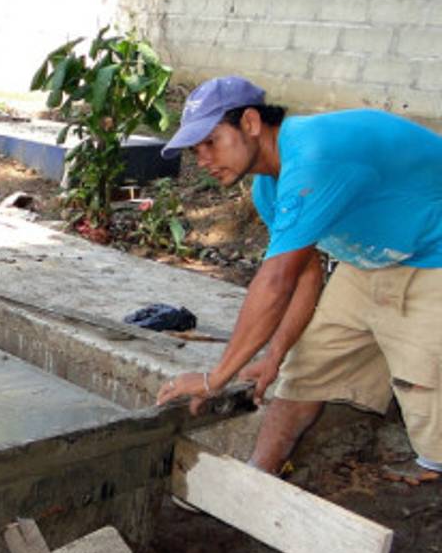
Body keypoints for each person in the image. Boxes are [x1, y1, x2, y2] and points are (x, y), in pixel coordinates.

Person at [155, 76, 442, 481]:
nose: (202, 159)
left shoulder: (314, 158)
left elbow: (275, 282)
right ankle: (258, 477)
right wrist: (274, 356)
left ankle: (430, 487)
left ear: (251, 123)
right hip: (372, 257)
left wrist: (213, 378)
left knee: (426, 391)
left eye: (211, 141)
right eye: (195, 149)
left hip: (433, 254)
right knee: (303, 370)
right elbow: (305, 276)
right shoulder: (268, 189)